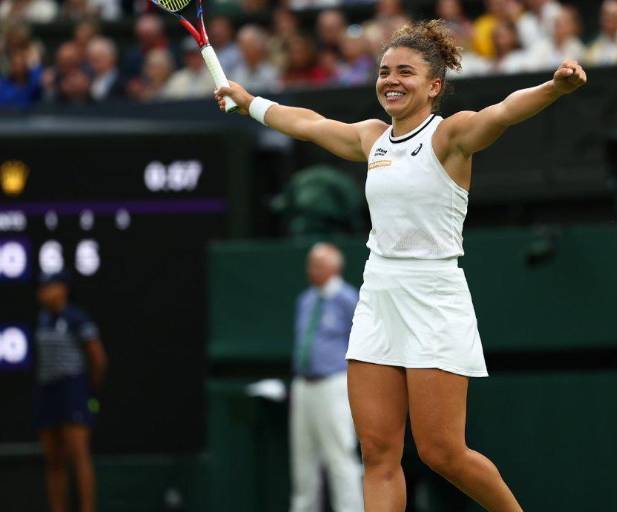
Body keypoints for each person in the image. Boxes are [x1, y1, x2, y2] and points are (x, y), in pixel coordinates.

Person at [215, 19, 586, 511]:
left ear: (434, 86)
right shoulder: (372, 139)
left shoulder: (450, 136)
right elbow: (309, 123)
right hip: (377, 296)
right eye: (384, 70)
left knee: (442, 452)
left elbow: (502, 113)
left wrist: (554, 88)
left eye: (405, 72)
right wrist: (252, 104)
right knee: (378, 454)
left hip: (434, 297)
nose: (390, 80)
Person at [290, 243, 363, 512]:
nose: (313, 269)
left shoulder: (348, 299)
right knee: (303, 460)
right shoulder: (305, 300)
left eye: (319, 264)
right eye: (311, 263)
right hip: (303, 386)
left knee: (340, 455)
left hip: (334, 384)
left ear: (335, 267)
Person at [34, 271, 108, 512]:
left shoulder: (77, 318)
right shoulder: (42, 319)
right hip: (48, 390)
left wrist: (89, 390)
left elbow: (98, 359)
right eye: (42, 287)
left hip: (73, 390)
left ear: (63, 289)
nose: (44, 292)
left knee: (78, 455)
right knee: (53, 458)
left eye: (50, 286)